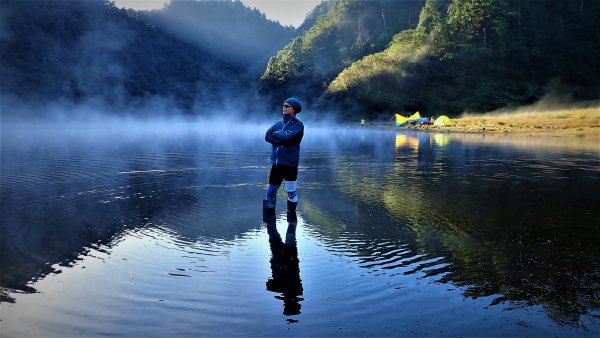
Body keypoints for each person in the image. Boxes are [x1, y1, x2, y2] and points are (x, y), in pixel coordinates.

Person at [263, 98, 304, 214]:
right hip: (276, 163)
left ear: (294, 109)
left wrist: (276, 135)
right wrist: (281, 138)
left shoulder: (299, 126)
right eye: (284, 106)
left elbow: (289, 138)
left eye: (288, 106)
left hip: (290, 164)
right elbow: (267, 136)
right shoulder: (278, 124)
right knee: (270, 191)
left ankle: (292, 220)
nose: (284, 107)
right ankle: (268, 219)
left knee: (291, 192)